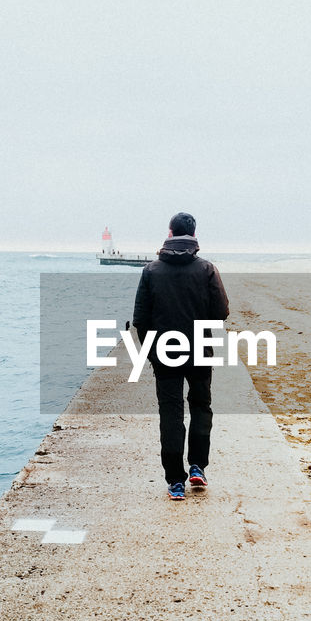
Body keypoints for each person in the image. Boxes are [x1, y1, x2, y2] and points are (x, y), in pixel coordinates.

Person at [132, 212, 229, 500]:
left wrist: (151, 351)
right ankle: (197, 467)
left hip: (164, 352)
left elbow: (140, 318)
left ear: (170, 233)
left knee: (171, 414)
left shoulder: (151, 271)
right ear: (195, 235)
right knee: (200, 406)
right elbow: (221, 312)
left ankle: (176, 481)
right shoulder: (207, 269)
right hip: (199, 349)